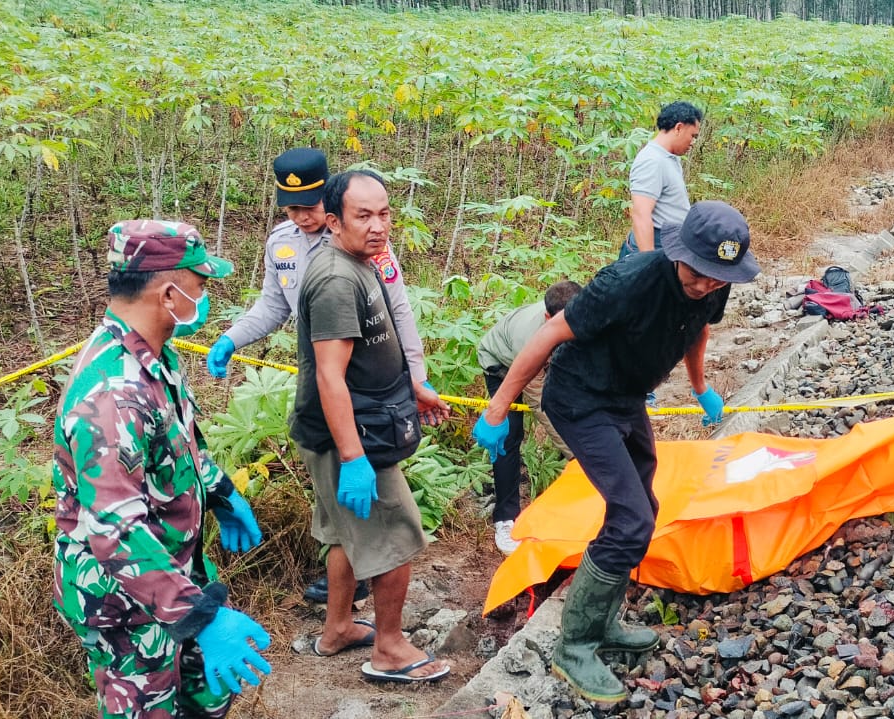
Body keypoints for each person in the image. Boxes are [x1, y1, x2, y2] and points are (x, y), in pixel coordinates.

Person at [473, 200, 758, 702]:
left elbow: (700, 327)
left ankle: (602, 622)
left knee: (642, 508)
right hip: (580, 398)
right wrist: (498, 409)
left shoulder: (715, 281)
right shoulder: (629, 281)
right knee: (629, 518)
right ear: (678, 252)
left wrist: (700, 387)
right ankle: (574, 646)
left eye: (718, 276)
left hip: (626, 396)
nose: (707, 283)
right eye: (700, 272)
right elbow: (550, 332)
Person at [206, 148, 445, 605]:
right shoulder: (282, 243)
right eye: (292, 208)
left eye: (311, 208)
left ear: (332, 211)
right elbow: (274, 306)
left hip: (368, 388)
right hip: (324, 379)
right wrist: (232, 338)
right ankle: (350, 595)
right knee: (343, 498)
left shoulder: (367, 245)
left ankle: (355, 586)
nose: (302, 218)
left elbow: (397, 311)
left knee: (368, 496)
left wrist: (416, 377)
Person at [53, 220, 271, 718]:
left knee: (205, 698)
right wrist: (200, 617)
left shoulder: (155, 357)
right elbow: (116, 529)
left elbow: (176, 445)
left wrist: (220, 492)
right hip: (123, 595)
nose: (205, 293)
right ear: (169, 291)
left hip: (169, 570)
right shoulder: (113, 393)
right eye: (202, 283)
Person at [288, 169, 450, 682]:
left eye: (384, 213)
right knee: (397, 533)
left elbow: (370, 349)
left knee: (344, 535)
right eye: (364, 215)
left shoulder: (360, 263)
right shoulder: (337, 279)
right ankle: (390, 649)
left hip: (350, 426)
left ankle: (337, 628)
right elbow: (331, 378)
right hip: (351, 436)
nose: (378, 226)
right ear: (334, 221)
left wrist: (412, 383)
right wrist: (355, 459)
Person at [476, 280, 584, 554]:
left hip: (550, 358)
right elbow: (542, 404)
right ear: (549, 318)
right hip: (502, 365)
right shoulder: (529, 336)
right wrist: (576, 454)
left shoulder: (588, 312)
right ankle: (505, 519)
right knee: (508, 436)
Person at [620, 101, 702, 259]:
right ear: (678, 128)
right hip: (655, 246)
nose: (693, 142)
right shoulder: (652, 160)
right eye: (692, 136)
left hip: (670, 245)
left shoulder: (669, 157)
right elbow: (640, 214)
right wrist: (648, 264)